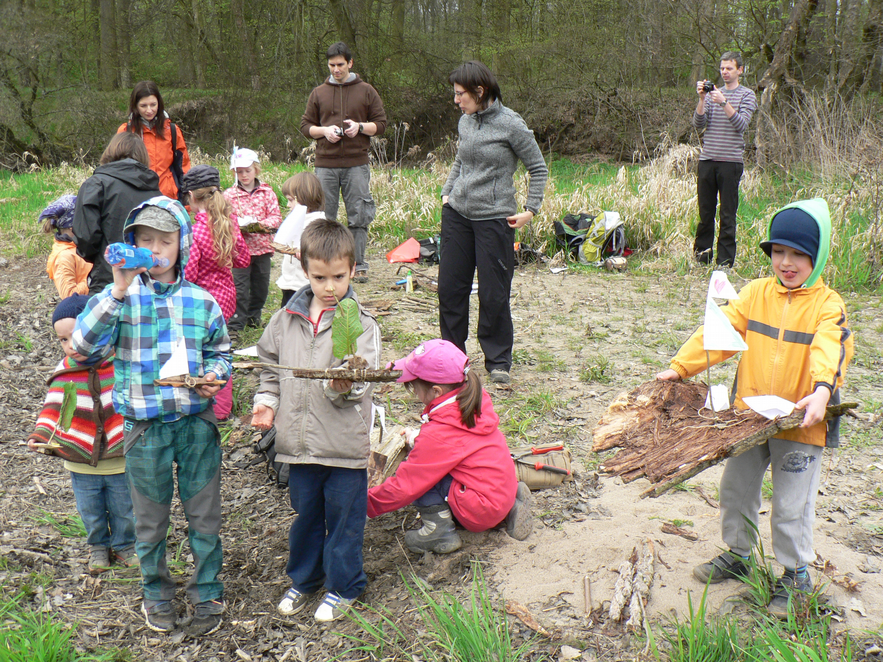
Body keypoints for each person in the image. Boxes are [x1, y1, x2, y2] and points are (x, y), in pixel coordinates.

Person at [656, 198, 853, 619]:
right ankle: (739, 554)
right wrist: (679, 369)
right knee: (736, 489)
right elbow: (717, 333)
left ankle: (796, 573)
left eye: (799, 253)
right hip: (749, 418)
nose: (787, 262)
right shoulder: (755, 294)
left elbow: (829, 350)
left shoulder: (827, 304)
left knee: (791, 505)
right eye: (779, 252)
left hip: (801, 421)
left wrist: (821, 392)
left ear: (817, 256)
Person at [72, 196, 231, 636]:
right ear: (131, 244)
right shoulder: (118, 299)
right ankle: (156, 592)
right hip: (145, 430)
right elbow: (83, 349)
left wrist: (214, 375)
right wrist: (119, 289)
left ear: (183, 244)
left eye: (166, 240)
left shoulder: (202, 302)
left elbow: (222, 352)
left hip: (196, 425)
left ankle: (207, 590)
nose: (156, 250)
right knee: (150, 520)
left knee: (204, 516)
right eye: (146, 240)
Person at [250, 218, 380, 623]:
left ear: (352, 271)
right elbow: (270, 366)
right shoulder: (284, 319)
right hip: (298, 444)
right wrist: (267, 401)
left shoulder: (359, 323)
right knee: (306, 515)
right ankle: (305, 580)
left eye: (338, 277)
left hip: (342, 445)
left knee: (344, 519)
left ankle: (344, 586)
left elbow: (364, 379)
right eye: (320, 277)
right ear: (305, 271)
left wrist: (344, 383)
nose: (329, 287)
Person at [367, 339, 532, 554]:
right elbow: (456, 445)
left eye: (414, 387)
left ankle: (439, 531)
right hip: (499, 487)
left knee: (418, 472)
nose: (414, 393)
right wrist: (418, 438)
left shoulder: (439, 434)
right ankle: (508, 506)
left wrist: (362, 504)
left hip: (479, 510)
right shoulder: (472, 401)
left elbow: (406, 486)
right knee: (441, 464)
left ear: (436, 391)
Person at [439, 61, 548, 385]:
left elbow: (538, 168)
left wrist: (531, 209)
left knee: (494, 293)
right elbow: (461, 159)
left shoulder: (511, 125)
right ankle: (451, 357)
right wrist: (447, 193)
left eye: (461, 94)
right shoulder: (466, 121)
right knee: (450, 290)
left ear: (479, 91)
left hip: (494, 219)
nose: (457, 100)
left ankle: (498, 359)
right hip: (458, 215)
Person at [27, 294, 136, 575]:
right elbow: (53, 410)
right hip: (79, 459)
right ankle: (98, 547)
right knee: (90, 509)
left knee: (124, 507)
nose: (70, 346)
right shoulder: (65, 373)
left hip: (119, 458)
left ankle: (125, 545)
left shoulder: (121, 365)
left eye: (76, 336)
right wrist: (41, 435)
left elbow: (132, 406)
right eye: (62, 340)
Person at [300, 41, 387, 283]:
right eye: (331, 65)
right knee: (323, 217)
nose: (336, 70)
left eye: (340, 64)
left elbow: (380, 124)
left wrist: (359, 127)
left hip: (356, 163)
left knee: (358, 215)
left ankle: (358, 264)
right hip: (325, 164)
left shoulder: (367, 91)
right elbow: (306, 126)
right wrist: (324, 131)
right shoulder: (318, 92)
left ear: (350, 63)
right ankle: (324, 263)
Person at [182, 165, 250, 421]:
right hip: (227, 300)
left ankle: (210, 405)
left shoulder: (195, 232)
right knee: (222, 350)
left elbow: (189, 276)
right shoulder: (228, 223)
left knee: (203, 352)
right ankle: (223, 409)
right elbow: (243, 260)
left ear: (191, 197)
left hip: (203, 305)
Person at [73, 133, 162, 294]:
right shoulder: (156, 192)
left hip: (108, 278)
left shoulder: (95, 185)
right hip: (149, 279)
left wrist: (104, 258)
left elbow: (85, 238)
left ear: (111, 152)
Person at [692, 52, 757, 268]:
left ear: (740, 70)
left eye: (729, 68)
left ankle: (725, 262)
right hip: (708, 160)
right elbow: (698, 123)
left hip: (730, 162)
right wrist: (702, 99)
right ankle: (702, 258)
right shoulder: (711, 95)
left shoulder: (747, 95)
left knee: (728, 214)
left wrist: (724, 102)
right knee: (705, 213)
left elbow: (741, 125)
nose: (725, 72)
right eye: (722, 69)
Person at [223, 147, 282, 331]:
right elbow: (224, 220)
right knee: (240, 289)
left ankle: (253, 318)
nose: (244, 175)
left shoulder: (267, 193)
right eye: (239, 172)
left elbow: (276, 218)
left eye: (247, 171)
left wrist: (260, 224)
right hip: (239, 251)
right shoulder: (229, 195)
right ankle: (236, 324)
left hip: (263, 249)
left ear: (256, 169)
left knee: (260, 288)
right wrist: (237, 224)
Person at [118, 80, 191, 201]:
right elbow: (117, 169)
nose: (149, 110)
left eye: (153, 105)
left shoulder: (172, 130)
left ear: (159, 104)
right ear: (135, 106)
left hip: (169, 198)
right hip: (136, 199)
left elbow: (183, 168)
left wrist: (186, 202)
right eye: (143, 106)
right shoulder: (125, 131)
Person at [275, 172, 326, 308]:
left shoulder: (318, 224)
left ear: (304, 198)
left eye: (291, 200)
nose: (288, 205)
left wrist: (305, 254)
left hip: (305, 285)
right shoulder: (295, 221)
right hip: (290, 283)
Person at [40, 195, 91, 298]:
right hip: (83, 311)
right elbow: (68, 296)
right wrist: (93, 279)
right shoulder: (64, 256)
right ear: (73, 227)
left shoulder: (79, 246)